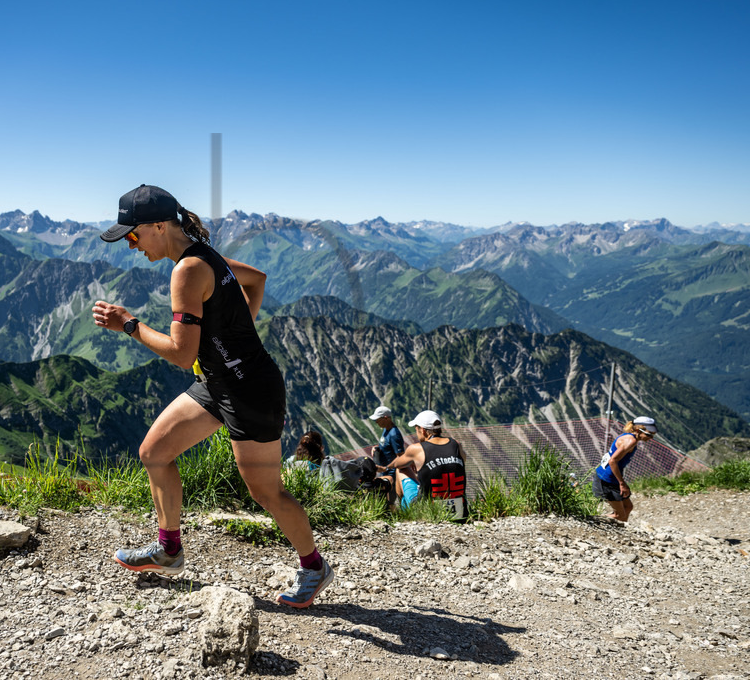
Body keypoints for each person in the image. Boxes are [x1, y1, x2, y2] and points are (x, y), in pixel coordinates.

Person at [92, 184, 333, 608]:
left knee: (266, 491)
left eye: (133, 235)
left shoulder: (186, 270)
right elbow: (256, 281)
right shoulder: (207, 254)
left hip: (250, 392)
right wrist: (235, 336)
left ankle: (314, 567)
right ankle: (168, 551)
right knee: (154, 452)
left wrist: (128, 324)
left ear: (159, 226)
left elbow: (183, 355)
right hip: (220, 382)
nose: (131, 245)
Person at [377, 410, 468, 522]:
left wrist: (386, 468)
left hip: (428, 511)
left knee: (401, 470)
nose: (416, 433)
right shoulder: (456, 444)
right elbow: (462, 461)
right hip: (461, 513)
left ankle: (407, 514)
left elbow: (397, 463)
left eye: (416, 429)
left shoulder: (417, 449)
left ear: (423, 430)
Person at [593, 416, 657, 522]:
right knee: (620, 515)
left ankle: (618, 533)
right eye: (649, 434)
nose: (651, 438)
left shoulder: (631, 437)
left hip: (612, 478)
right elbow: (612, 461)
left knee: (628, 507)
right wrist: (622, 484)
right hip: (607, 479)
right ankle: (592, 520)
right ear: (638, 430)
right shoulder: (630, 441)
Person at [368, 405, 405, 473]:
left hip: (391, 472)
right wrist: (377, 448)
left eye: (378, 419)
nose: (376, 422)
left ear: (386, 418)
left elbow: (401, 456)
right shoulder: (386, 429)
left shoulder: (394, 434)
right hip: (384, 469)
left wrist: (386, 468)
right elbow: (386, 444)